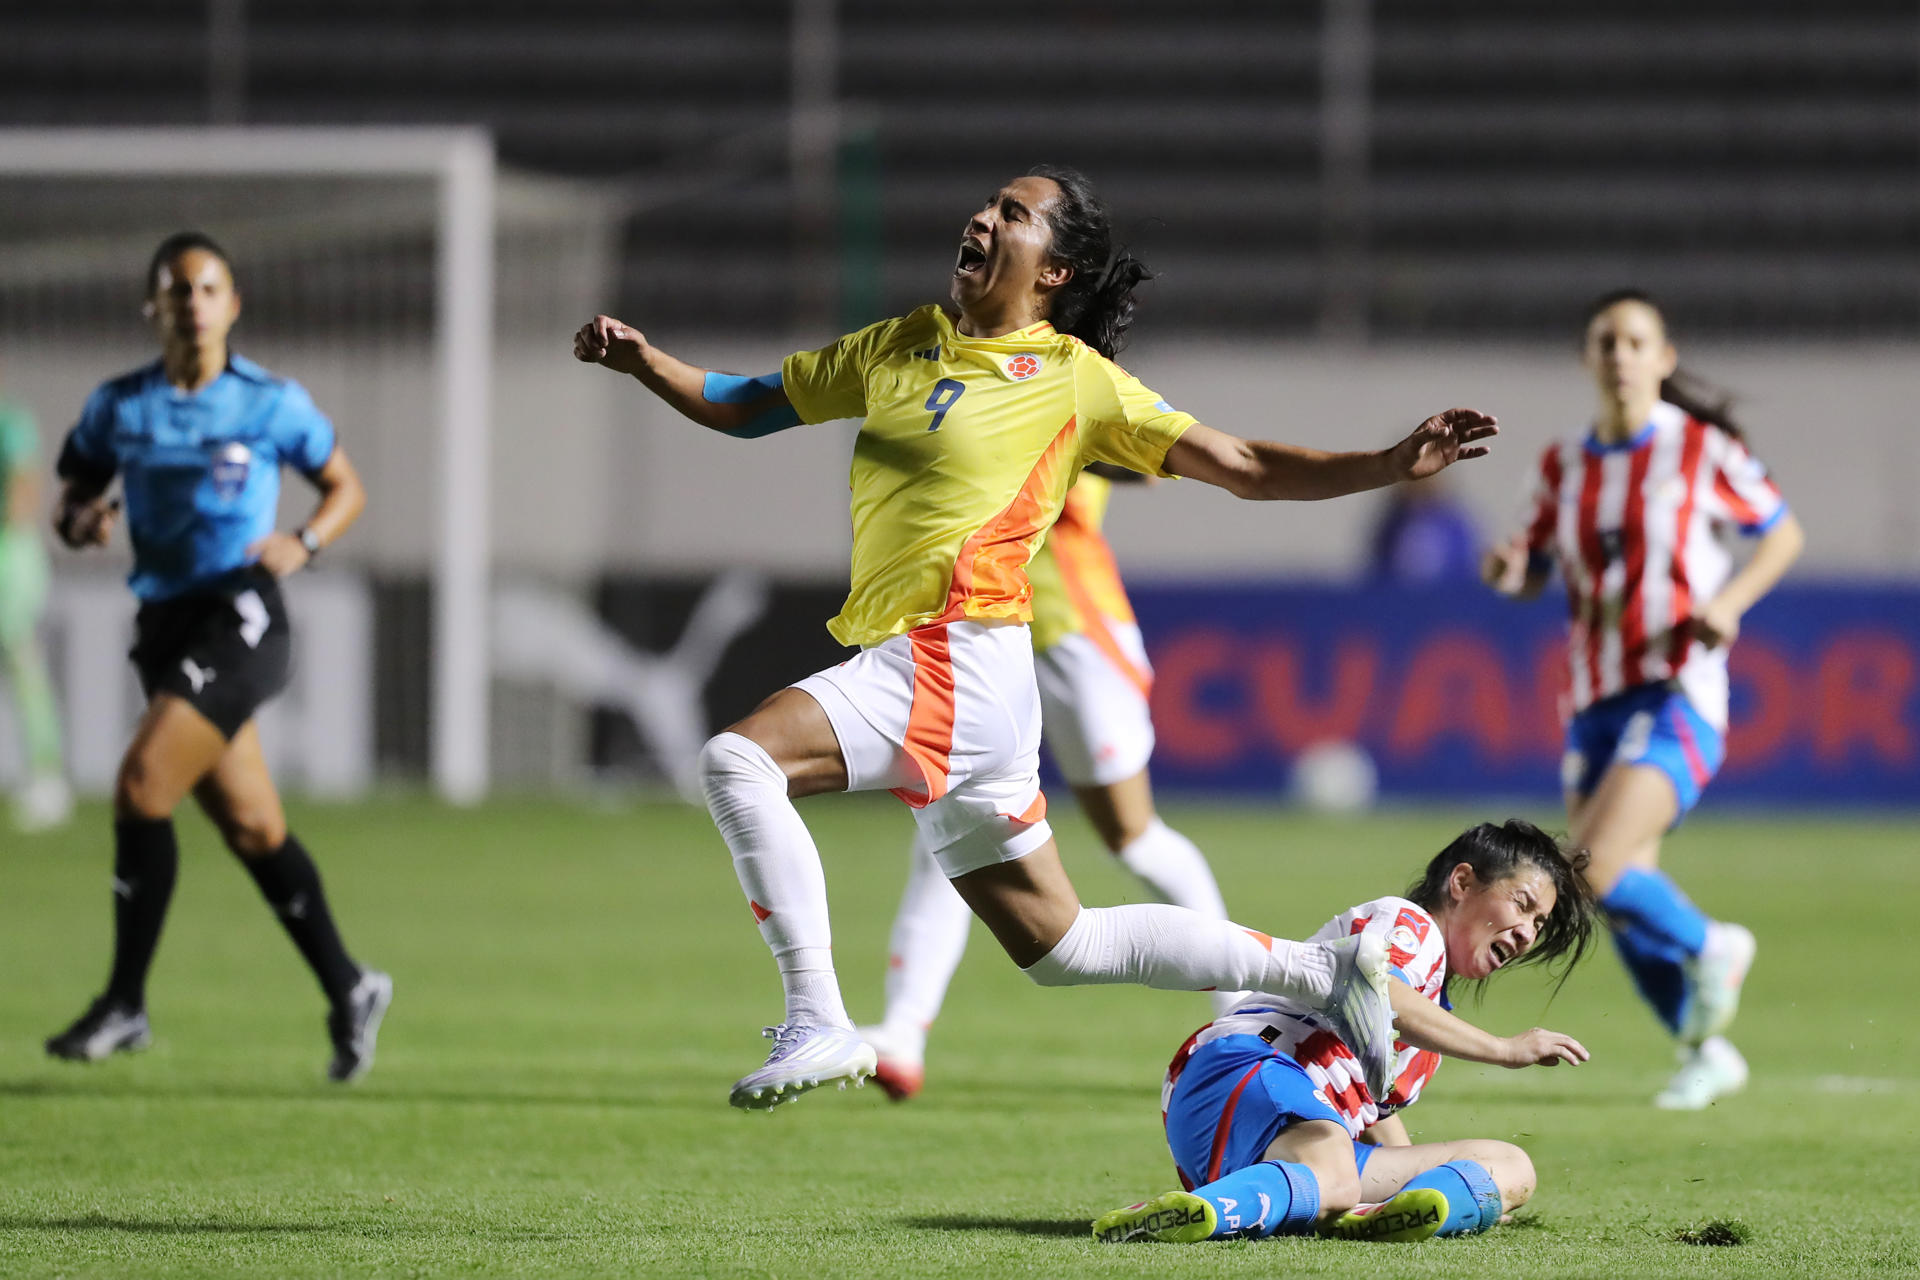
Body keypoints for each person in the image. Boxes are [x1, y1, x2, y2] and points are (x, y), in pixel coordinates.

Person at [573, 165, 1499, 1111]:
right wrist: (647, 361)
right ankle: (1325, 970)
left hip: (956, 649)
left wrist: (1389, 464)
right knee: (1066, 946)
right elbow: (746, 401)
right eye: (986, 203)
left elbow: (1245, 464)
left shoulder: (1071, 380)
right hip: (970, 676)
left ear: (1053, 272)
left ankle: (818, 1015)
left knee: (739, 762)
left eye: (1012, 213)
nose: (981, 215)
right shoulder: (898, 345)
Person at [44, 231, 392, 1082]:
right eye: (179, 291)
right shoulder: (119, 407)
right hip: (163, 625)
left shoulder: (271, 403)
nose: (194, 304)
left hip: (241, 619)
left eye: (209, 289)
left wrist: (304, 541)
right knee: (252, 826)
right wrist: (83, 524)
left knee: (140, 784)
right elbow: (74, 502)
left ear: (232, 305)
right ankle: (351, 986)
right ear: (153, 307)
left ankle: (125, 1003)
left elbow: (346, 487)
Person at [1481, 290, 1804, 1109]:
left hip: (1676, 688)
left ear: (1663, 356)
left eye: (1636, 341)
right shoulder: (1562, 465)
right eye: (1606, 341)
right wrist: (1507, 572)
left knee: (1590, 868)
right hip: (1592, 703)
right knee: (1611, 897)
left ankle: (1713, 943)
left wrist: (1728, 603)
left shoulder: (1701, 448)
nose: (1620, 354)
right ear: (1588, 358)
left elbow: (1782, 532)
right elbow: (1529, 568)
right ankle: (1706, 1051)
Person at [859, 464, 1238, 1101]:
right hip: (988, 634)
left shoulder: (1061, 384)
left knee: (1134, 837)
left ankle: (1240, 1009)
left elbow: (1143, 460)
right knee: (946, 837)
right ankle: (903, 1033)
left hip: (1075, 632)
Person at [1093, 820, 1597, 1245]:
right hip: (1242, 1069)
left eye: (1539, 922)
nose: (1528, 933)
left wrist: (1460, 1191)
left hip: (1293, 1146)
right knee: (1335, 1173)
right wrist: (1505, 1049)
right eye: (1523, 904)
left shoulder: (1433, 1019)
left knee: (1509, 1165)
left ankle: (1264, 1208)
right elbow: (1384, 999)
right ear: (1462, 883)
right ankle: (1195, 1214)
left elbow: (1379, 1125)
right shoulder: (1409, 925)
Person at [0, 383, 72, 830]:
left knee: (22, 662)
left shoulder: (12, 424)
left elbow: (24, 492)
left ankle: (47, 778)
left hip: (9, 558)